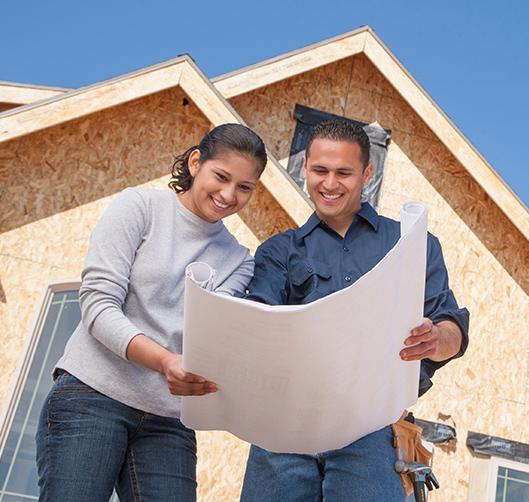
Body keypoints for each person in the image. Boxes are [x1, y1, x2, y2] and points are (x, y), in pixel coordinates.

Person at [239, 120, 470, 501]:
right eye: (320, 171)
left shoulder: (410, 245)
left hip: (372, 427)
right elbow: (255, 327)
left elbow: (451, 326)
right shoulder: (278, 252)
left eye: (343, 172)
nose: (330, 184)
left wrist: (436, 339)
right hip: (285, 425)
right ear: (304, 169)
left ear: (367, 173)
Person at [36, 123, 268, 502]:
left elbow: (207, 339)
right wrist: (163, 361)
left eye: (245, 187)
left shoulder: (239, 260)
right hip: (92, 396)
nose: (229, 195)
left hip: (167, 421)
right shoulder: (139, 208)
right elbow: (97, 306)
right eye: (221, 177)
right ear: (196, 163)